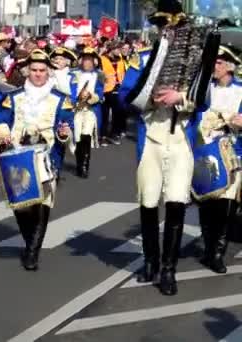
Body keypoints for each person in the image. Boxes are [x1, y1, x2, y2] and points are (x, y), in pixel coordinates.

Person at [120, 0, 199, 296]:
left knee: (177, 202)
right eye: (163, 27)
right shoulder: (142, 59)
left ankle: (169, 269)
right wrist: (148, 97)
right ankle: (150, 262)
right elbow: (124, 96)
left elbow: (201, 100)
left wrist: (180, 96)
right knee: (149, 203)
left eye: (173, 27)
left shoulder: (194, 61)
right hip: (150, 138)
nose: (168, 32)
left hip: (180, 136)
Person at [0, 49, 73, 271]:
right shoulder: (13, 96)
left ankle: (32, 251)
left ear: (48, 72)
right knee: (21, 205)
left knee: (42, 203)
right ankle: (29, 240)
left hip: (46, 156)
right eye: (34, 70)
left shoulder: (60, 98)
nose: (38, 74)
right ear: (28, 71)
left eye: (42, 70)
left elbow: (66, 123)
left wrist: (64, 132)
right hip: (17, 154)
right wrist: (3, 132)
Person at [192, 44, 242, 274]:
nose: (214, 66)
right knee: (206, 200)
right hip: (204, 150)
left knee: (228, 203)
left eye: (219, 63)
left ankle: (217, 252)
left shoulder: (241, 90)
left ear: (229, 67)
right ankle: (208, 245)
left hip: (233, 153)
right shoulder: (202, 88)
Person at [70, 47, 104, 178]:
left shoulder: (99, 75)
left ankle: (85, 165)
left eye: (90, 60)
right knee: (77, 136)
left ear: (95, 61)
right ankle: (79, 163)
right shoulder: (73, 74)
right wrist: (77, 98)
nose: (87, 63)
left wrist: (90, 96)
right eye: (85, 60)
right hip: (77, 110)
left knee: (86, 135)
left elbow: (100, 94)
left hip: (90, 110)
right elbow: (70, 90)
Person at [99, 41, 126, 146]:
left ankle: (114, 134)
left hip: (118, 89)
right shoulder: (102, 59)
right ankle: (103, 136)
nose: (119, 51)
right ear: (111, 49)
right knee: (104, 115)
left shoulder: (120, 60)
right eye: (117, 49)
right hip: (106, 90)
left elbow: (123, 73)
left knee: (117, 114)